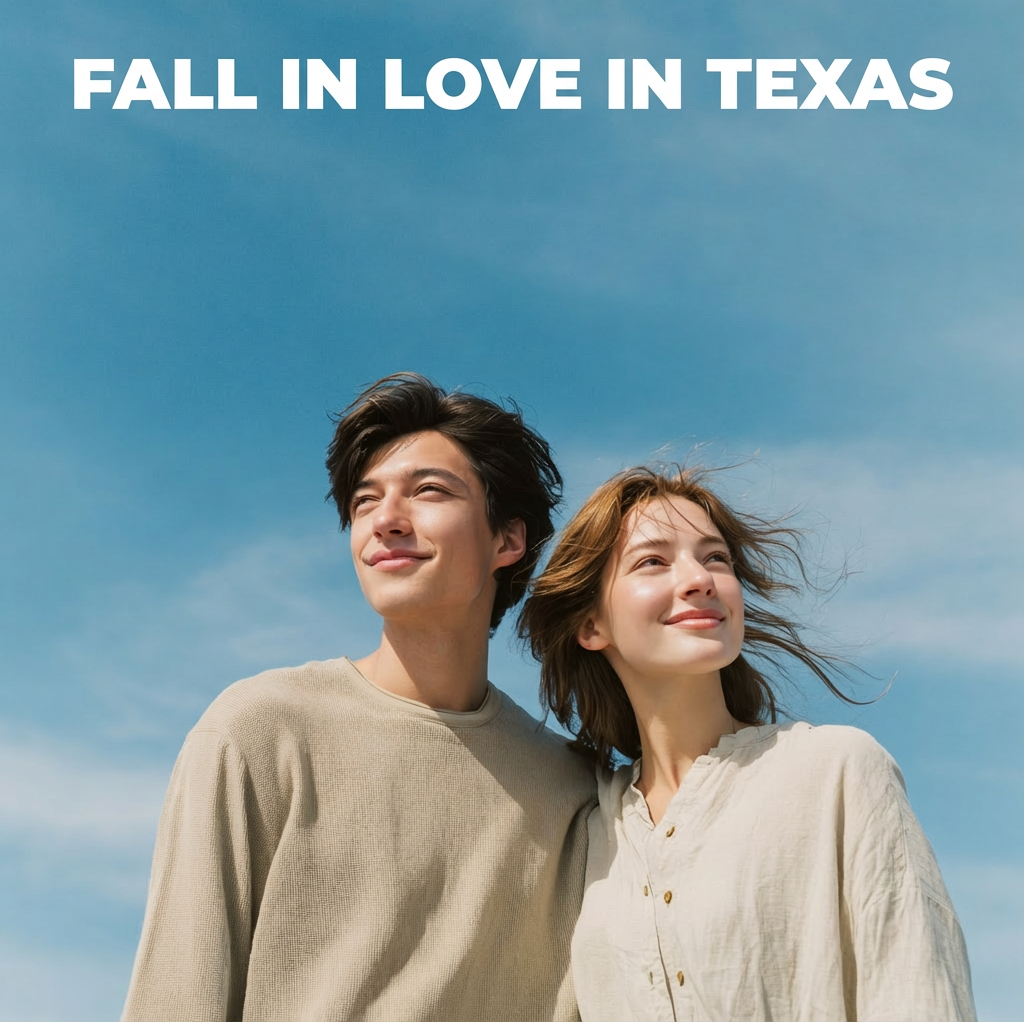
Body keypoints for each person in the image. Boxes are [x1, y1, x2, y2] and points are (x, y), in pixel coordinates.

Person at [122, 373, 596, 1022]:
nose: (386, 521)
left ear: (507, 540)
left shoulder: (575, 794)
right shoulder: (259, 730)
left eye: (429, 491)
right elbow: (175, 997)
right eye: (366, 502)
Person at [519, 465, 976, 1022]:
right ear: (591, 626)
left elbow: (919, 995)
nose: (700, 579)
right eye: (653, 562)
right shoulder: (587, 831)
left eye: (715, 558)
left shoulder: (836, 770)